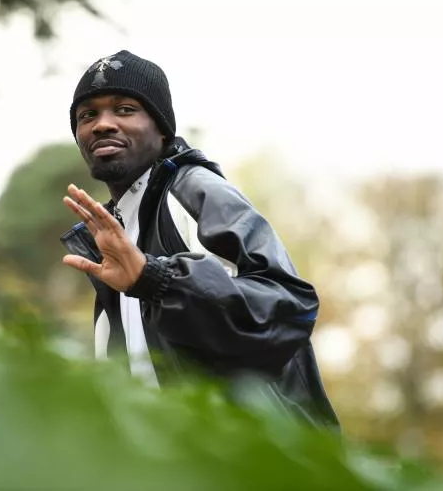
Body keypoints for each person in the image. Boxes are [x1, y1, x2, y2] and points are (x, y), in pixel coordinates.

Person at [60, 50, 340, 428]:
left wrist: (155, 279)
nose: (102, 125)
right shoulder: (108, 240)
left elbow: (290, 307)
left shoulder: (195, 191)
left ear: (161, 129)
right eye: (87, 115)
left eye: (124, 109)